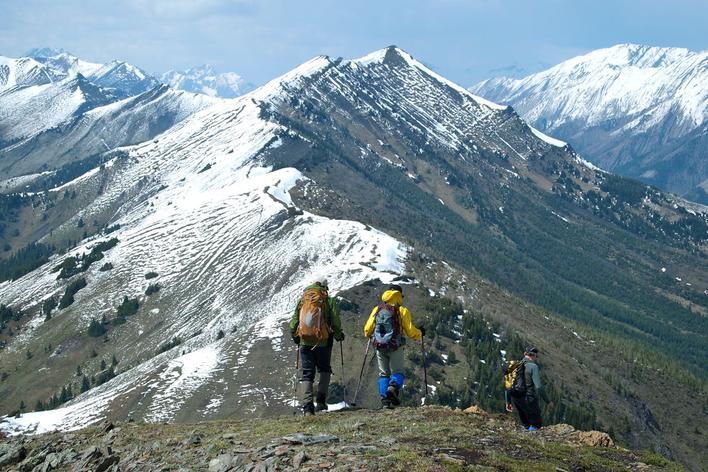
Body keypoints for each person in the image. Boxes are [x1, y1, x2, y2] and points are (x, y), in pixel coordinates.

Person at [364, 284, 424, 408]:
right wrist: (420, 333)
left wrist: (372, 335)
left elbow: (367, 330)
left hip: (379, 345)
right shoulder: (402, 310)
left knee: (383, 373)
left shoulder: (377, 309)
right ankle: (393, 388)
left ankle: (385, 402)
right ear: (399, 296)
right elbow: (411, 332)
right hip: (395, 345)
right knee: (398, 372)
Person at [290, 279, 344, 416]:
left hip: (305, 341)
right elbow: (335, 320)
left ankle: (307, 407)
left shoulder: (303, 300)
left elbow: (294, 322)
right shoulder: (327, 300)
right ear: (324, 287)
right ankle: (320, 402)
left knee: (307, 373)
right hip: (323, 342)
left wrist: (295, 336)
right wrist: (338, 335)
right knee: (324, 369)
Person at [505, 347, 553, 431]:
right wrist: (548, 401)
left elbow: (508, 385)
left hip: (516, 398)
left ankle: (526, 440)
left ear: (525, 354)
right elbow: (539, 386)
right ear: (533, 355)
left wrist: (508, 402)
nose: (536, 358)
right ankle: (532, 441)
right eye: (536, 356)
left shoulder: (516, 365)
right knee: (536, 425)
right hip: (529, 398)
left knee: (526, 424)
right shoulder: (533, 367)